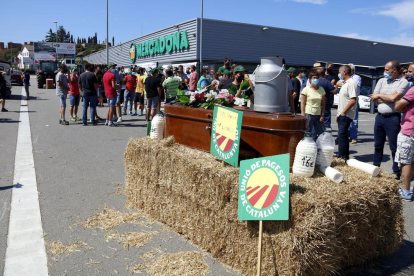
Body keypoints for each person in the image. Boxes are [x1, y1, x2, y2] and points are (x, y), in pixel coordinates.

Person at [370, 60, 409, 180]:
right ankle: (375, 168)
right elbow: (373, 97)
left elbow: (394, 99)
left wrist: (381, 96)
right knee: (378, 145)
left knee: (394, 147)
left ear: (395, 70)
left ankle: (396, 172)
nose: (384, 72)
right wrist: (389, 97)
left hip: (393, 118)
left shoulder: (403, 82)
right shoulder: (382, 80)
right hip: (380, 117)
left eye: (387, 70)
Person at [395, 63, 414, 201]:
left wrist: (403, 108)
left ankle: (406, 191)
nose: (408, 73)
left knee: (406, 161)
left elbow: (398, 105)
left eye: (411, 72)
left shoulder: (412, 89)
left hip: (409, 130)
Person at [336, 65, 358, 160]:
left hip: (346, 114)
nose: (339, 74)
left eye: (339, 71)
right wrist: (338, 114)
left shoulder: (351, 83)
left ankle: (344, 156)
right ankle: (342, 154)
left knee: (342, 135)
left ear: (344, 72)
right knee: (341, 136)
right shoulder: (345, 83)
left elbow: (353, 100)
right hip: (342, 114)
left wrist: (344, 112)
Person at [300, 71, 326, 141]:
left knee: (321, 132)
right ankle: (306, 147)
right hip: (309, 114)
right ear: (310, 79)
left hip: (318, 114)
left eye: (317, 78)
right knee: (307, 132)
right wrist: (303, 114)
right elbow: (302, 103)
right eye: (314, 78)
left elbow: (323, 103)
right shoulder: (306, 89)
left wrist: (322, 114)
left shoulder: (321, 89)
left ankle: (320, 147)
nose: (315, 79)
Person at [348, 64, 362, 144]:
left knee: (354, 119)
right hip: (346, 99)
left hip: (353, 99)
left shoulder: (356, 78)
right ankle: (346, 134)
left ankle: (353, 137)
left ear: (352, 70)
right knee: (345, 118)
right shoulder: (345, 78)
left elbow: (355, 87)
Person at [103, 62, 120, 126]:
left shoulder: (105, 74)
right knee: (112, 107)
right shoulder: (112, 75)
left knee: (109, 107)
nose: (114, 68)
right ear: (110, 68)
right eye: (113, 67)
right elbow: (113, 85)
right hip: (112, 92)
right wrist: (118, 87)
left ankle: (107, 120)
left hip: (107, 92)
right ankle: (110, 121)